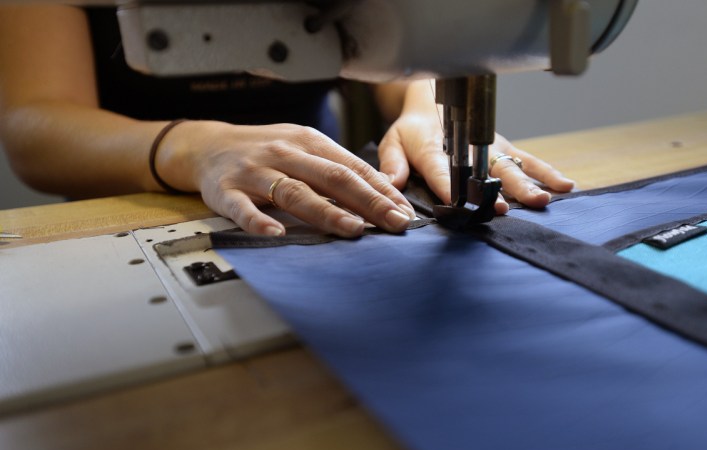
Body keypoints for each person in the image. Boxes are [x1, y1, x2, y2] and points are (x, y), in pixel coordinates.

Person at [0, 5, 575, 238]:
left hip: (304, 196)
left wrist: (428, 103)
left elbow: (389, 39)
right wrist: (193, 147)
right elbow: (36, 125)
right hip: (126, 201)